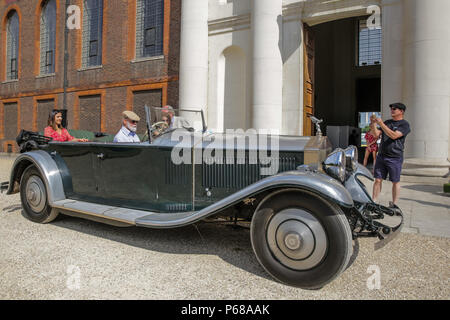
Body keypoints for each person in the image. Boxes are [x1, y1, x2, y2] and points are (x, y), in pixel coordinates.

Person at [372, 103, 411, 208]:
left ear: (401, 111)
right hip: (382, 155)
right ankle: (374, 202)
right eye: (391, 109)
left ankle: (394, 204)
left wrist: (381, 124)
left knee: (395, 181)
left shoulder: (404, 124)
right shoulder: (387, 122)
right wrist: (373, 124)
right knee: (377, 179)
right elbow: (376, 134)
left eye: (394, 109)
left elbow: (394, 136)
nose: (392, 110)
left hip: (395, 157)